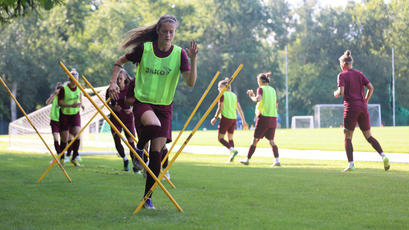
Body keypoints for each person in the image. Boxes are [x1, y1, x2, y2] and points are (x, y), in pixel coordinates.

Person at [108, 14, 198, 209]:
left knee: (157, 154)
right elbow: (119, 62)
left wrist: (193, 59)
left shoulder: (180, 54)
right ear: (157, 31)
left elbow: (190, 82)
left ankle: (147, 197)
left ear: (175, 33)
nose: (168, 35)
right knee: (154, 126)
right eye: (164, 31)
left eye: (171, 32)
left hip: (165, 107)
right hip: (143, 102)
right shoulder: (144, 49)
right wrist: (113, 81)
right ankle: (139, 148)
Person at [333, 50, 390, 172]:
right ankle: (384, 156)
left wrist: (335, 93)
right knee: (369, 136)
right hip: (363, 107)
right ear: (351, 63)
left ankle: (351, 164)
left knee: (347, 136)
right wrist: (365, 101)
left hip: (351, 107)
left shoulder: (342, 75)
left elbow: (341, 92)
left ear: (343, 65)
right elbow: (371, 87)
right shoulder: (359, 74)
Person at [240, 72, 281, 167]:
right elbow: (276, 104)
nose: (257, 83)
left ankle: (247, 159)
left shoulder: (261, 89)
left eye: (258, 81)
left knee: (254, 139)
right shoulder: (273, 90)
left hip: (263, 117)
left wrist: (251, 96)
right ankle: (277, 160)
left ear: (261, 81)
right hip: (273, 118)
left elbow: (258, 99)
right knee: (271, 140)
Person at [105, 69, 137, 172]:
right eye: (117, 79)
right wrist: (114, 108)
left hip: (128, 118)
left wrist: (131, 109)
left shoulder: (130, 88)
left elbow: (136, 101)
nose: (118, 81)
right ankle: (124, 159)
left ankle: (136, 165)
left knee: (131, 142)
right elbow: (107, 103)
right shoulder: (111, 90)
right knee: (117, 139)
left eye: (120, 79)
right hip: (115, 118)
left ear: (125, 78)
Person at [210, 78, 248, 162]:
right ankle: (232, 156)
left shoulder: (222, 95)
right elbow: (240, 109)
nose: (218, 89)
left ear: (224, 87)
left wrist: (215, 118)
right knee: (230, 138)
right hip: (233, 119)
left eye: (220, 87)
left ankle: (233, 150)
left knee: (220, 138)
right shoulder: (234, 96)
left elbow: (220, 108)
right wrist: (243, 120)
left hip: (226, 118)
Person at [58, 69, 82, 167]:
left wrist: (81, 104)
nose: (75, 81)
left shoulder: (79, 87)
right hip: (65, 114)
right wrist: (70, 105)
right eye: (73, 79)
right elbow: (60, 103)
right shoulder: (64, 89)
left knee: (77, 134)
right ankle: (62, 157)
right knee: (64, 138)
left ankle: (75, 157)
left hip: (75, 114)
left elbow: (80, 97)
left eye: (76, 79)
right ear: (69, 79)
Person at [46, 82, 63, 159]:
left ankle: (64, 155)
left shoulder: (64, 98)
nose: (58, 91)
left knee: (64, 139)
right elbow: (47, 102)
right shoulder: (54, 97)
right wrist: (54, 95)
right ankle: (59, 154)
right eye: (57, 89)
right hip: (54, 120)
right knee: (56, 138)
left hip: (63, 120)